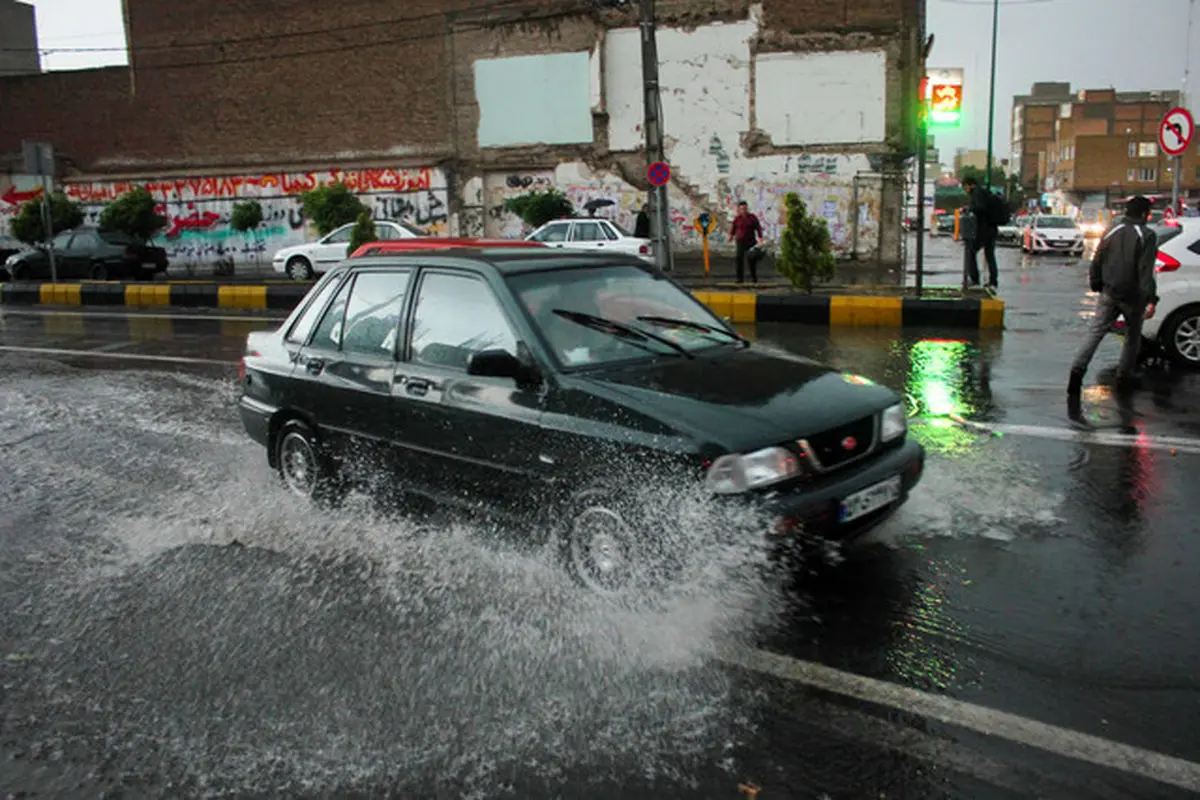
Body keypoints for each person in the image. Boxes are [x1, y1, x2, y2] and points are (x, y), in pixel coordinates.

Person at [1067, 194, 1159, 423]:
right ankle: (1123, 379)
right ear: (1143, 214)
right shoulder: (1146, 235)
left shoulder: (1111, 231)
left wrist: (1097, 283)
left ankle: (1076, 375)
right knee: (1132, 337)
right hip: (1133, 296)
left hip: (1109, 292)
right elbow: (1145, 271)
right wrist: (1151, 298)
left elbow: (1097, 259)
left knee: (1095, 333)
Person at [961, 176, 999, 289]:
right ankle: (993, 281)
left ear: (969, 185)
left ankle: (974, 279)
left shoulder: (977, 193)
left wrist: (969, 209)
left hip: (982, 230)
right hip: (992, 228)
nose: (965, 190)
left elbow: (980, 208)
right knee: (990, 255)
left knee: (970, 253)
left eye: (965, 187)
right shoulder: (985, 192)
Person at [730, 201, 763, 283]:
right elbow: (733, 228)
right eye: (741, 209)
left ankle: (754, 278)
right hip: (740, 241)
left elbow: (758, 227)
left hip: (751, 241)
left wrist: (760, 238)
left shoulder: (752, 217)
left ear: (747, 208)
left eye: (745, 208)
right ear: (739, 210)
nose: (743, 210)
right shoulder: (737, 219)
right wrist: (731, 236)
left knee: (751, 260)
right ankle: (739, 279)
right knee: (739, 259)